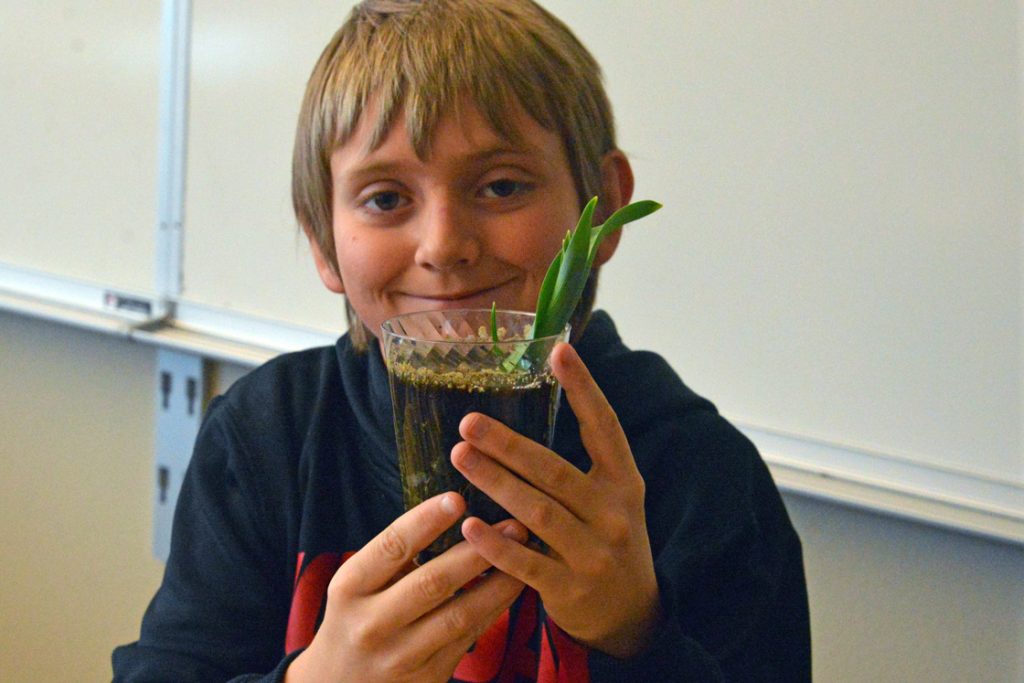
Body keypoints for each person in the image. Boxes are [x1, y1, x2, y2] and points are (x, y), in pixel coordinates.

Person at [113, 1, 811, 680]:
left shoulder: (700, 471)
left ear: (602, 208)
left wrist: (636, 633)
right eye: (386, 198)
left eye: (502, 186)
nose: (445, 246)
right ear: (323, 240)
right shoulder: (267, 437)